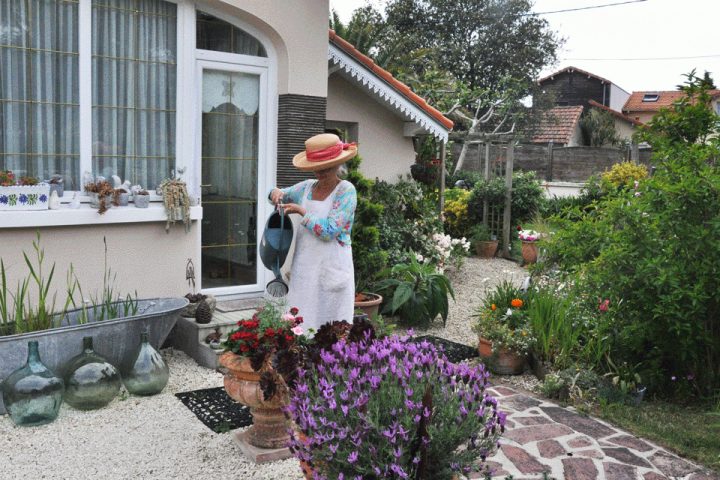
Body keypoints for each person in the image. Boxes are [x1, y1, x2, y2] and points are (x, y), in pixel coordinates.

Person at [268, 133, 357, 332]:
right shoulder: (306, 188)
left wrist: (301, 211)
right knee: (300, 321)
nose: (320, 172)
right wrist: (274, 193)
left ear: (337, 165)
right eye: (317, 168)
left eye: (325, 168)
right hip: (305, 268)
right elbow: (278, 193)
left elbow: (329, 231)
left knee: (333, 326)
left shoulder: (346, 191)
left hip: (332, 266)